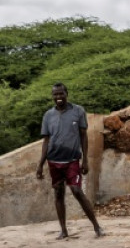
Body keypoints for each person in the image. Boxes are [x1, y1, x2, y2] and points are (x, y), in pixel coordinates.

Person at [35, 83, 104, 239]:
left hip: (72, 159)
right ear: (52, 96)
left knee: (77, 191)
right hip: (54, 160)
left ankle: (97, 227)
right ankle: (64, 230)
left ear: (67, 94)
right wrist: (40, 164)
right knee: (58, 193)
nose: (58, 97)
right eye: (55, 95)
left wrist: (85, 160)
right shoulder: (48, 115)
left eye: (61, 94)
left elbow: (83, 136)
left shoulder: (78, 111)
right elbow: (46, 140)